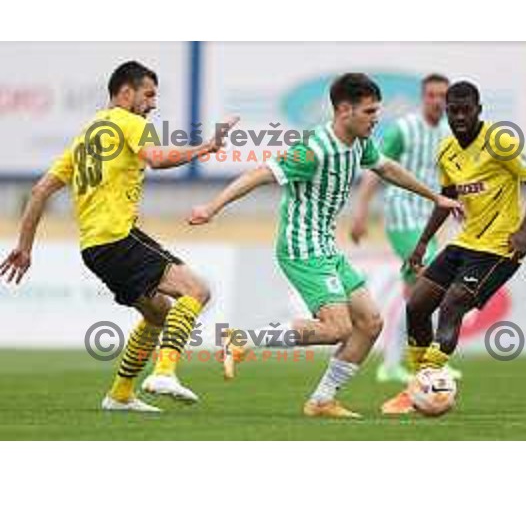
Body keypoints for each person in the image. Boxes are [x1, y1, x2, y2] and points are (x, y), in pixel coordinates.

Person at [188, 73, 463, 419]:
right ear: (345, 110)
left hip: (326, 247)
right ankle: (244, 339)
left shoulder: (360, 143)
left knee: (370, 322)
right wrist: (212, 207)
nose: (376, 118)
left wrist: (435, 196)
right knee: (338, 328)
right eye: (369, 111)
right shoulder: (313, 150)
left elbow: (388, 169)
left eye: (377, 110)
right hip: (301, 246)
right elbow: (258, 174)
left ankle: (322, 400)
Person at [0, 61, 237, 412]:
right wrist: (205, 148)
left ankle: (121, 394)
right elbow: (156, 159)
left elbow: (39, 190)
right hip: (118, 238)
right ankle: (164, 372)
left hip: (94, 249)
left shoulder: (85, 137)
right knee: (198, 290)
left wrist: (24, 247)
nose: (153, 104)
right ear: (125, 92)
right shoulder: (129, 122)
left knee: (159, 314)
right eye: (149, 94)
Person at [381, 80, 526, 415]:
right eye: (453, 110)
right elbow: (448, 200)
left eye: (465, 110)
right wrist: (423, 243)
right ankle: (421, 386)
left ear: (479, 110)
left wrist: (524, 231)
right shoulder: (446, 150)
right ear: (447, 111)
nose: (459, 116)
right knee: (416, 306)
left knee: (452, 305)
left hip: (499, 248)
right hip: (464, 243)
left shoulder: (499, 141)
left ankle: (418, 387)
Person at [351, 73, 463, 383]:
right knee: (429, 277)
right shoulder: (404, 129)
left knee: (418, 293)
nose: (438, 101)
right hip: (401, 214)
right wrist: (360, 210)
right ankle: (424, 364)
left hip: (429, 217)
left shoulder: (448, 132)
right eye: (432, 95)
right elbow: (377, 168)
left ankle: (395, 364)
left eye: (443, 96)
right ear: (422, 97)